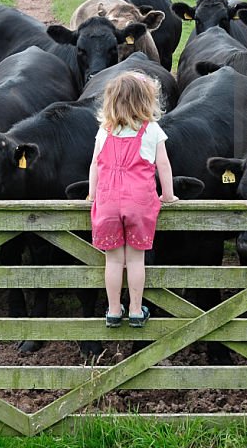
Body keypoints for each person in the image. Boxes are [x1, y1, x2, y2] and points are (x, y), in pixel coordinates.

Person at [88, 70, 177, 327]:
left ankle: (114, 311)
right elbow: (164, 165)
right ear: (147, 100)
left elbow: (94, 164)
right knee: (136, 259)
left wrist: (92, 194)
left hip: (107, 202)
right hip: (139, 202)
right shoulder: (152, 130)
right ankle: (136, 310)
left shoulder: (104, 131)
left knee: (114, 260)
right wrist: (168, 195)